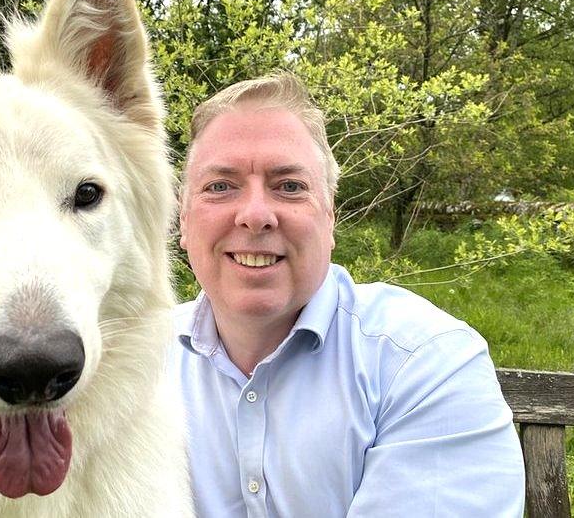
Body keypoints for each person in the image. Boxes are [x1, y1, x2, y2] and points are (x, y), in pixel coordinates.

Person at [170, 73, 526, 517]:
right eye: (220, 186)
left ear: (330, 218)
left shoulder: (426, 363)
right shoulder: (129, 364)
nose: (256, 215)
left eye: (290, 186)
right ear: (183, 220)